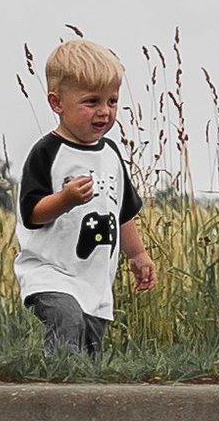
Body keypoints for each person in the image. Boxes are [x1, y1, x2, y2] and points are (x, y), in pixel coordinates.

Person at [14, 38, 155, 357]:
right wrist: (64, 199)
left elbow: (122, 213)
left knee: (90, 347)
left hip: (94, 280)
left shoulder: (111, 155)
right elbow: (33, 213)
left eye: (112, 101)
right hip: (50, 272)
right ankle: (59, 387)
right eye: (91, 102)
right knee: (66, 319)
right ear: (57, 102)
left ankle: (80, 397)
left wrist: (137, 255)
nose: (104, 112)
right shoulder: (47, 153)